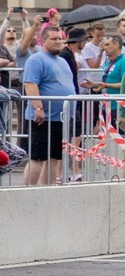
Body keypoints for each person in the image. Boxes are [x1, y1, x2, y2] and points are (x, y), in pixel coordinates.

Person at [19, 17, 78, 187]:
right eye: (54, 39)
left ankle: (47, 191)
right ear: (43, 41)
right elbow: (30, 84)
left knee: (53, 158)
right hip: (43, 118)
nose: (58, 41)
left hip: (61, 118)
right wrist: (38, 108)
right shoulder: (36, 59)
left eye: (60, 38)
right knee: (38, 158)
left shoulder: (63, 61)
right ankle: (27, 192)